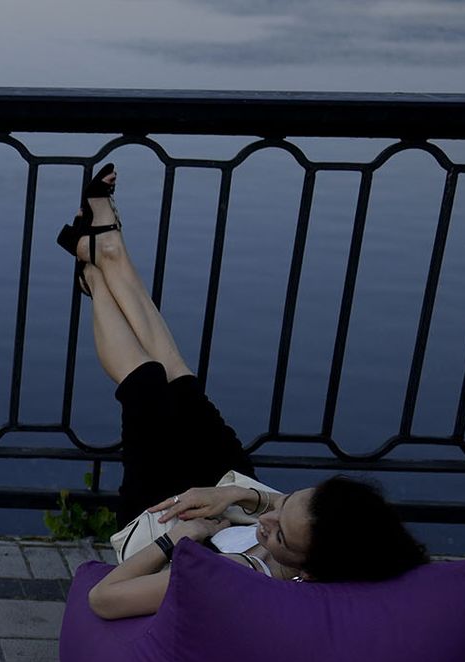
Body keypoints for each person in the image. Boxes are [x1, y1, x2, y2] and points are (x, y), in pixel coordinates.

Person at [57, 164, 428, 620]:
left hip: (168, 516)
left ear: (305, 574)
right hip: (226, 490)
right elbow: (274, 511)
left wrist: (179, 541)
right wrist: (240, 498)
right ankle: (106, 251)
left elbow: (103, 602)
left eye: (277, 534)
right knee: (180, 380)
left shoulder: (235, 573)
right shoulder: (335, 541)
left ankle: (93, 275)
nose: (267, 521)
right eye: (287, 503)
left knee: (147, 385)